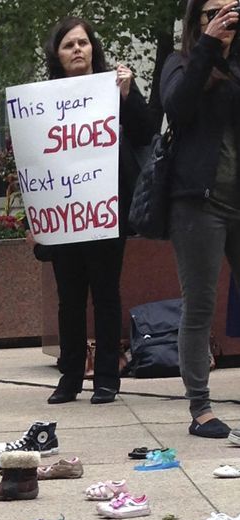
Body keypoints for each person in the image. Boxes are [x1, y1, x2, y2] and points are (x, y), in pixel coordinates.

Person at [43, 18, 153, 405]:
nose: (77, 49)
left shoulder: (114, 87)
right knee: (69, 297)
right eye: (68, 44)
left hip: (106, 208)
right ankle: (70, 376)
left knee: (106, 294)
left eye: (83, 43)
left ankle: (107, 377)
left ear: (94, 49)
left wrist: (127, 95)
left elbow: (144, 133)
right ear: (56, 54)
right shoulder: (43, 99)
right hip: (64, 212)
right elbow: (34, 160)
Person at [162, 0, 240, 437]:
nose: (222, 19)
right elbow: (178, 107)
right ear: (197, 21)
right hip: (198, 203)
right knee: (200, 304)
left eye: (231, 10)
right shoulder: (181, 62)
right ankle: (201, 407)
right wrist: (209, 48)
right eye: (212, 12)